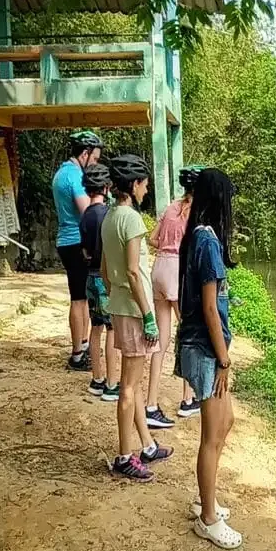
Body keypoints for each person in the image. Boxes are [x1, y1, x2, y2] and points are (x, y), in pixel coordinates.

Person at [179, 168, 242, 549]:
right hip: (206, 349)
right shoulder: (207, 242)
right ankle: (207, 518)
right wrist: (223, 359)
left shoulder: (203, 237)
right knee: (211, 436)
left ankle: (208, 498)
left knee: (226, 421)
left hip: (206, 347)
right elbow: (208, 307)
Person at [101, 153, 173, 482]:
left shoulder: (109, 216)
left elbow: (104, 270)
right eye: (144, 185)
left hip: (120, 305)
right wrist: (147, 315)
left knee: (135, 383)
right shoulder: (130, 219)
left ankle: (146, 445)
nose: (146, 191)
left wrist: (115, 296)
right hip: (133, 309)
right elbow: (132, 270)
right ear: (134, 185)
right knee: (129, 388)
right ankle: (124, 456)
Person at [147, 164, 204, 423]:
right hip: (177, 271)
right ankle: (187, 399)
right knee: (189, 333)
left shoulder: (170, 207)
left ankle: (150, 402)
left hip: (159, 268)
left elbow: (153, 239)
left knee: (161, 338)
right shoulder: (197, 212)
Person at [52, 130, 103, 371]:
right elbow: (87, 211)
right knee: (80, 299)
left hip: (66, 240)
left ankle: (82, 346)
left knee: (80, 297)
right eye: (94, 159)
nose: (95, 164)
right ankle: (77, 353)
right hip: (76, 243)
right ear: (84, 154)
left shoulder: (61, 172)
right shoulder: (74, 176)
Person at [77, 163, 120, 401]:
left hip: (89, 277)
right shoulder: (107, 215)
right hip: (105, 278)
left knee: (95, 328)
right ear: (106, 187)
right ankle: (113, 383)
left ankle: (97, 378)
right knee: (112, 329)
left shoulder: (85, 216)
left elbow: (84, 251)